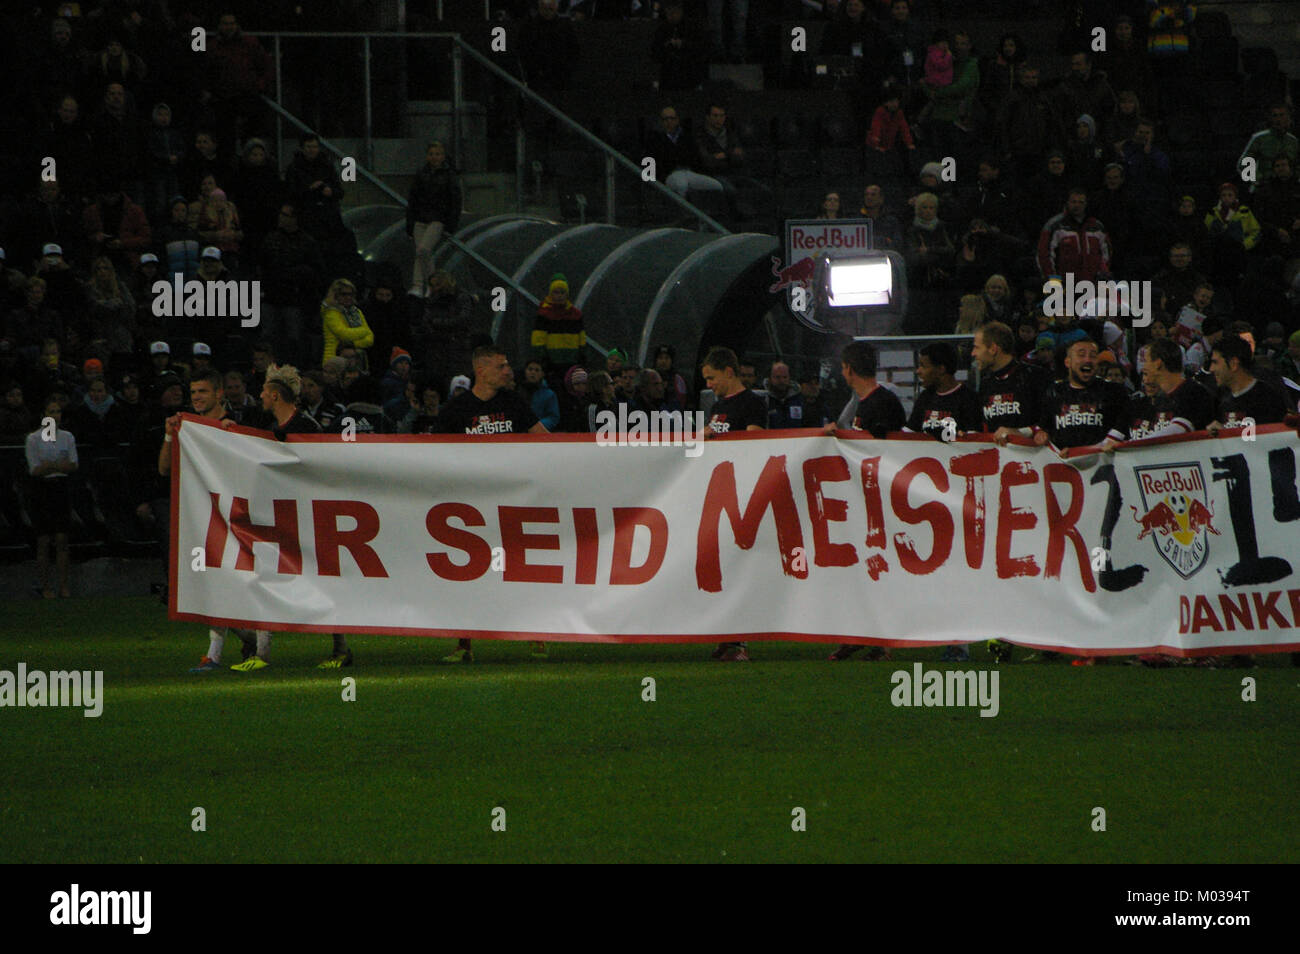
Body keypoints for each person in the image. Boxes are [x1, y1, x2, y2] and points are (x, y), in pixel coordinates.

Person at [438, 346, 549, 664]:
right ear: (481, 371)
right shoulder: (456, 410)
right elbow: (433, 455)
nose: (508, 370)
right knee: (468, 571)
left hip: (513, 501)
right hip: (471, 506)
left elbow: (545, 440)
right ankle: (464, 644)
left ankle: (536, 634)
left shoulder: (514, 403)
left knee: (523, 566)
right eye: (501, 366)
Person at [164, 372, 262, 672]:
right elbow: (164, 468)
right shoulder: (187, 427)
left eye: (203, 391)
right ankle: (244, 639)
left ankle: (220, 653)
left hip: (233, 517)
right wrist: (169, 435)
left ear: (219, 393)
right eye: (193, 391)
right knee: (207, 583)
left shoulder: (236, 425)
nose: (196, 397)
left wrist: (234, 438)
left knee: (229, 582)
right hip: (198, 515)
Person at [825, 339, 905, 663]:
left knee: (877, 569)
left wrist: (842, 437)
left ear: (848, 369)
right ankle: (857, 635)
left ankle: (881, 640)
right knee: (854, 570)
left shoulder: (882, 402)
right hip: (859, 499)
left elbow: (884, 446)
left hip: (880, 501)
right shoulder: (861, 402)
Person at [699, 346, 766, 662]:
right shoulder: (717, 406)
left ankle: (740, 641)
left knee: (737, 568)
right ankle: (727, 635)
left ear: (728, 371)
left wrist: (716, 439)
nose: (709, 384)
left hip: (742, 496)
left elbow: (755, 444)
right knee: (720, 567)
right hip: (720, 493)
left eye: (712, 377)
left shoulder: (752, 403)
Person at [26, 398, 78, 599]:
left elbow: (72, 464)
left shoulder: (67, 437)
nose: (55, 415)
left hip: (60, 488)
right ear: (43, 415)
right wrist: (57, 466)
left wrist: (51, 466)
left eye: (58, 412)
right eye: (51, 412)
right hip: (41, 490)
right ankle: (46, 586)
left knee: (62, 538)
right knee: (44, 540)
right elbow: (35, 469)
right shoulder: (33, 439)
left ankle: (64, 586)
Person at [406, 141, 460, 297]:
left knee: (423, 250)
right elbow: (413, 199)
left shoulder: (450, 175)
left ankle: (428, 284)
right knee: (421, 252)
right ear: (427, 156)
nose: (434, 157)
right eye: (431, 154)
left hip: (438, 218)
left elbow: (455, 200)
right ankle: (419, 285)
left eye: (437, 154)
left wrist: (451, 225)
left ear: (443, 156)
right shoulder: (421, 173)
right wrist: (410, 222)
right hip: (420, 218)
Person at [1206, 335, 1286, 433]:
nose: (1211, 369)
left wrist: (1229, 434)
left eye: (1215, 362)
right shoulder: (1221, 398)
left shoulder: (1268, 398)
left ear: (1233, 364)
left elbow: (1272, 439)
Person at [530, 273, 585, 375]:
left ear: (567, 294)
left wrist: (581, 358)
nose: (559, 296)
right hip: (552, 364)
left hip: (571, 362)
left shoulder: (575, 314)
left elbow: (582, 339)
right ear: (551, 294)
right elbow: (538, 341)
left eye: (562, 292)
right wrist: (544, 361)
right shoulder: (544, 314)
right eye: (556, 292)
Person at [321, 278, 373, 365]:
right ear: (335, 295)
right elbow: (344, 334)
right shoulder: (330, 313)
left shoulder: (357, 312)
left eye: (351, 294)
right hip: (334, 361)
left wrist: (352, 344)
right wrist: (364, 330)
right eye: (344, 294)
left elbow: (370, 339)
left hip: (357, 360)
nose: (348, 297)